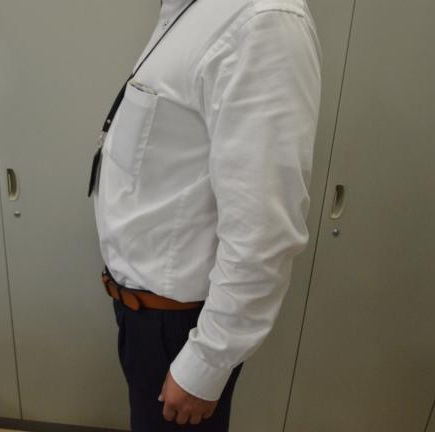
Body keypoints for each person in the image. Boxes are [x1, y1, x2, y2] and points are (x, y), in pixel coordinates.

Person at [90, 0, 322, 430]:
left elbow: (263, 230)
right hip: (144, 317)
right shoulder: (192, 12)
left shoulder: (261, 23)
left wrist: (207, 361)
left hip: (178, 331)